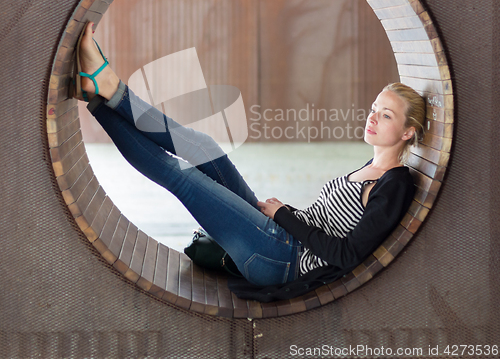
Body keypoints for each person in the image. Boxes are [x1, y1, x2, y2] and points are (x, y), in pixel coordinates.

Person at [73, 21, 426, 302]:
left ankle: (105, 90)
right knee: (202, 148)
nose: (374, 118)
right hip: (280, 235)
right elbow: (332, 222)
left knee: (183, 177)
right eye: (374, 110)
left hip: (283, 260)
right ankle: (105, 93)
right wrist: (283, 213)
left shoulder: (394, 184)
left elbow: (347, 254)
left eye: (387, 116)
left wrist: (284, 216)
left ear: (408, 132)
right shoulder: (371, 165)